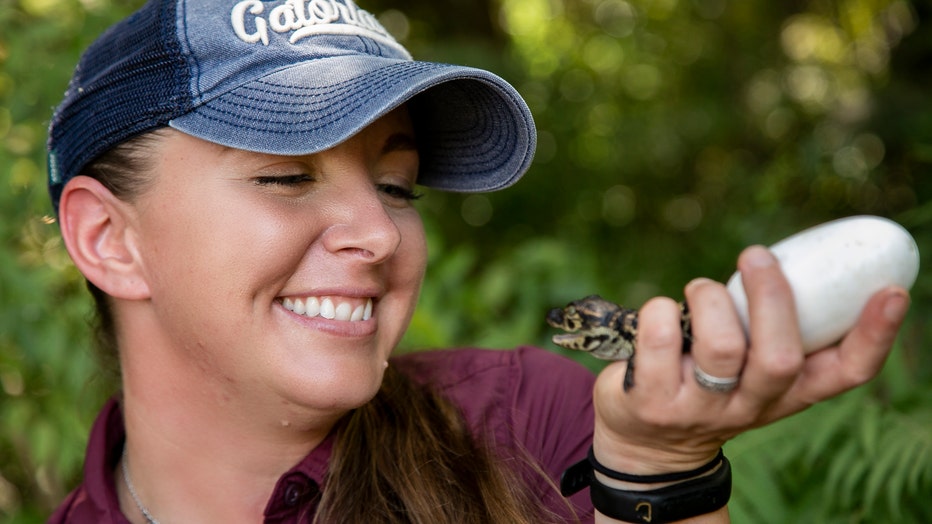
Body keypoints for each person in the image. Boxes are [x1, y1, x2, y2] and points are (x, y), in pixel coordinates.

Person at [45, 0, 910, 523]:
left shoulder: (539, 424)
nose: (381, 236)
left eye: (398, 185)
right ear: (109, 241)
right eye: (286, 175)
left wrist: (661, 473)